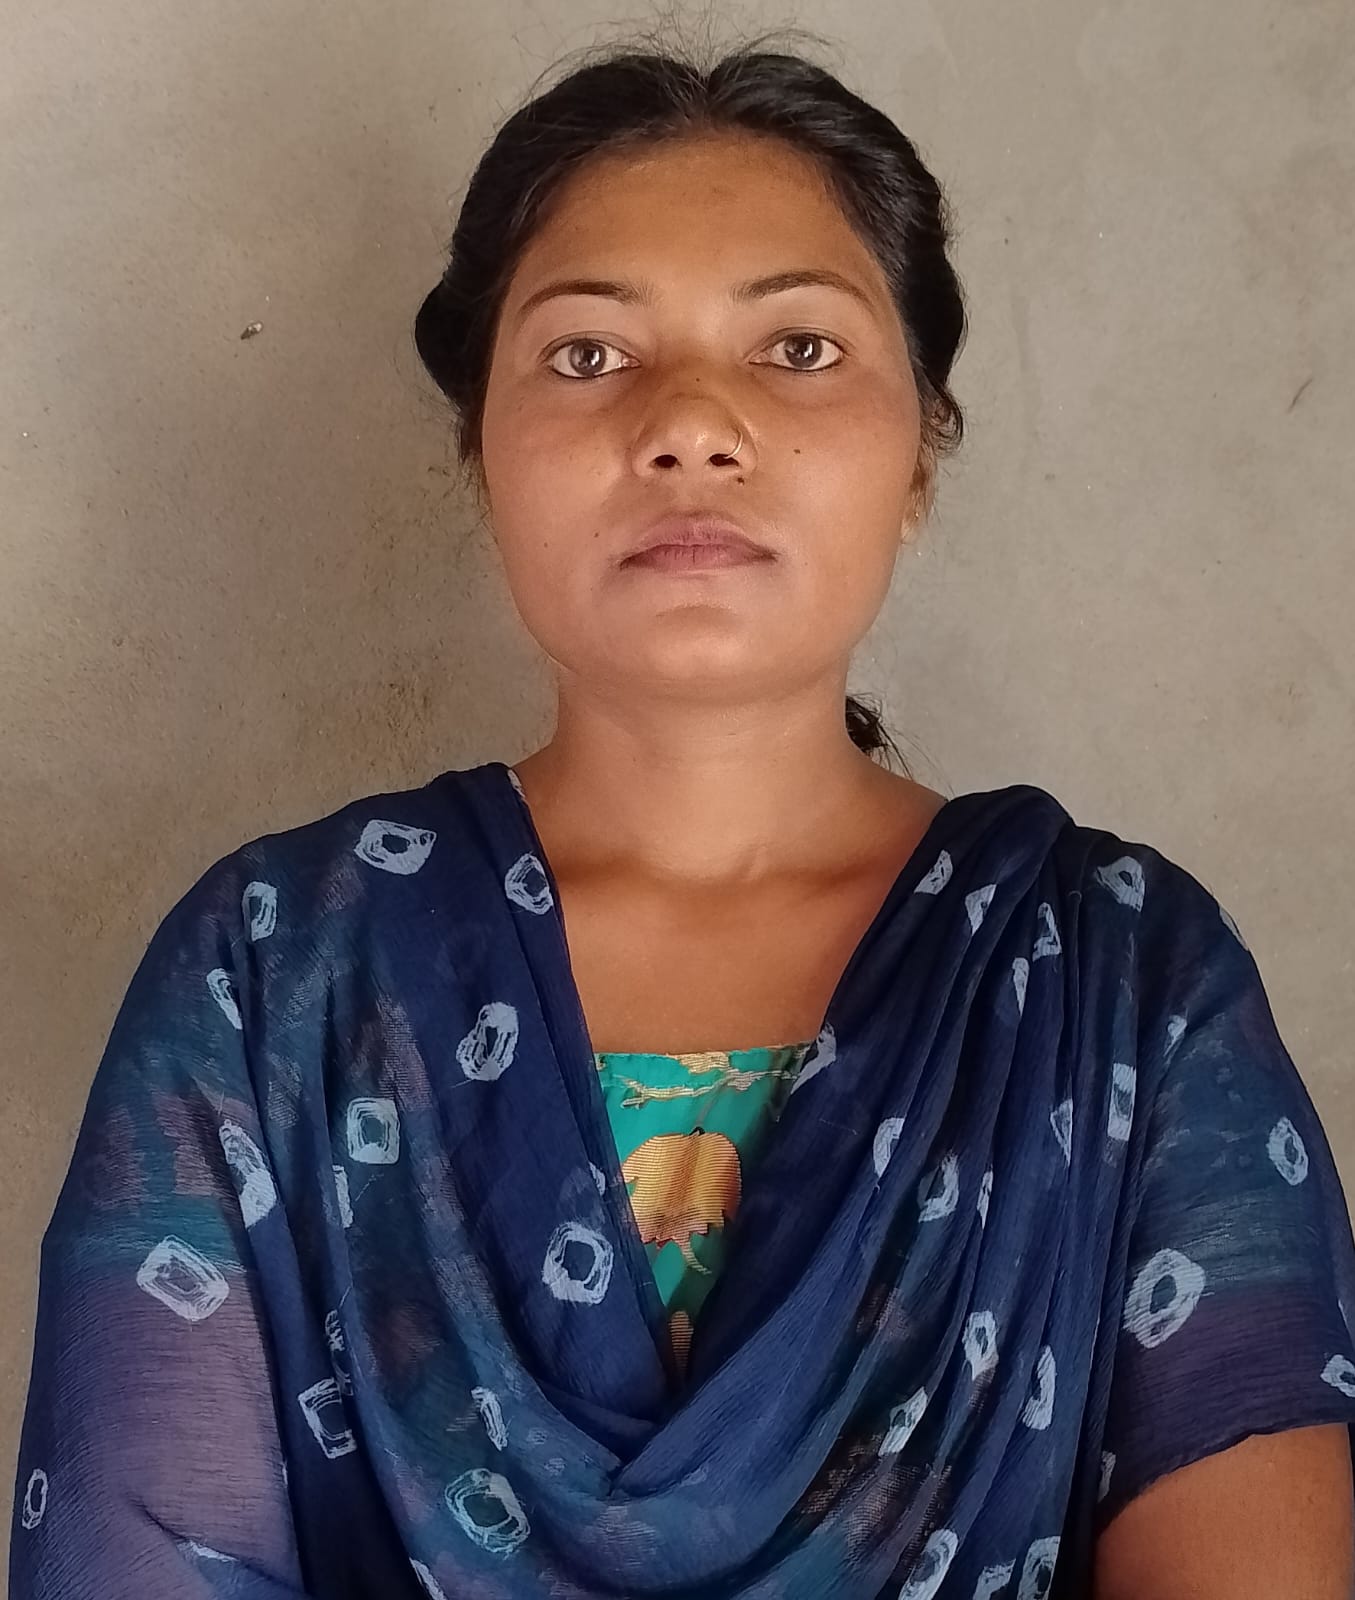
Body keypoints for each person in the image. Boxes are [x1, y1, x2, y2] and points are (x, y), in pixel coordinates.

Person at [11, 29, 1355, 1600]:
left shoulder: (1121, 984)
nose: (691, 423)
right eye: (589, 356)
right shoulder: (271, 976)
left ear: (921, 448)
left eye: (799, 348)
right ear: (480, 447)